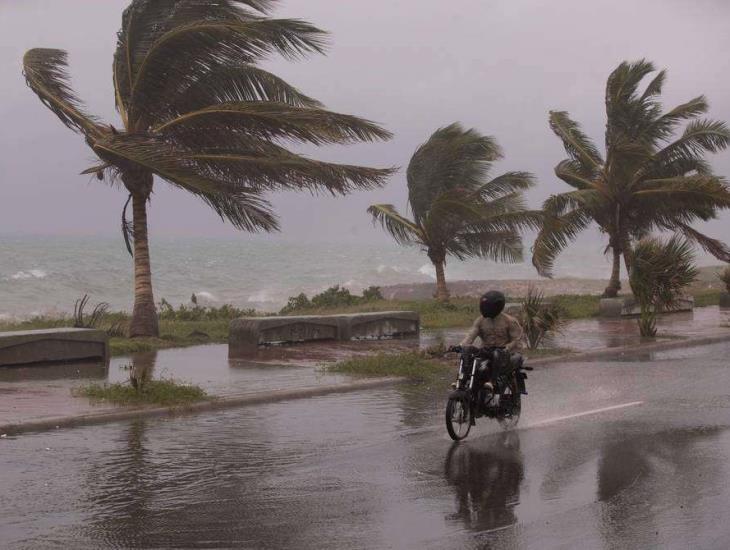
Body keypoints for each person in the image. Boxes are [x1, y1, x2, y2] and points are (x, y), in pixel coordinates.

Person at [453, 290, 523, 391]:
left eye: (488, 306)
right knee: (467, 351)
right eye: (484, 305)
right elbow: (470, 336)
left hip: (505, 354)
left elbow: (516, 339)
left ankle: (492, 382)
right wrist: (461, 346)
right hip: (486, 351)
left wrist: (507, 348)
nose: (485, 308)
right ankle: (462, 380)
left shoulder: (509, 321)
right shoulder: (480, 320)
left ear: (498, 306)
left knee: (496, 353)